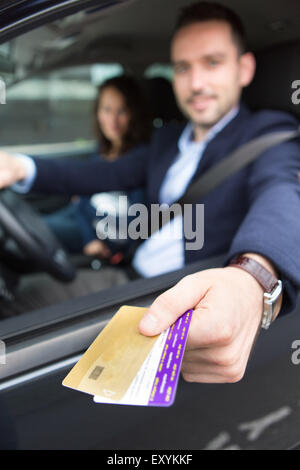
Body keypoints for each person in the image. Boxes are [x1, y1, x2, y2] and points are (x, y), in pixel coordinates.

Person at [0, 1, 300, 384]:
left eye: (212, 63)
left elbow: (282, 194)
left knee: (20, 310)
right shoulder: (167, 138)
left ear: (244, 69)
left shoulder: (267, 135)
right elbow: (98, 174)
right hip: (127, 273)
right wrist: (20, 167)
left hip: (172, 299)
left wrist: (251, 278)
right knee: (23, 297)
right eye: (182, 68)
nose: (196, 83)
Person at [42, 75, 151, 259]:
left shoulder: (141, 158)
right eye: (107, 110)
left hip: (104, 234)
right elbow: (82, 201)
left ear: (134, 113)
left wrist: (88, 229)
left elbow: (133, 224)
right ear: (97, 111)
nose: (113, 120)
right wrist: (85, 219)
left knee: (36, 231)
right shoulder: (102, 149)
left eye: (122, 111)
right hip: (88, 222)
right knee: (34, 222)